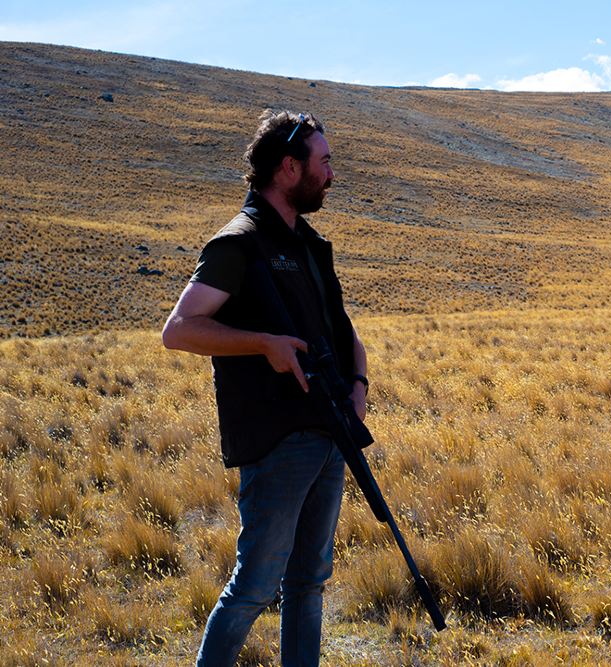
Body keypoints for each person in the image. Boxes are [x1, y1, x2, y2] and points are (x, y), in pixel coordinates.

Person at [162, 109, 369, 666]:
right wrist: (264, 344)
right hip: (277, 441)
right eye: (323, 162)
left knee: (309, 582)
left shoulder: (309, 244)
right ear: (288, 168)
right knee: (256, 585)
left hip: (330, 431)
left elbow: (343, 330)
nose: (332, 175)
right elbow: (178, 330)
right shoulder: (239, 243)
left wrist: (358, 384)